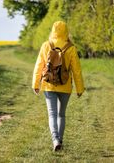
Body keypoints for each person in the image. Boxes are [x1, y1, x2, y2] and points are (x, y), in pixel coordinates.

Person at [32, 21, 85, 151]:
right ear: (66, 31)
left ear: (53, 31)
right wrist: (80, 88)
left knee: (52, 114)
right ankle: (59, 140)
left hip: (49, 85)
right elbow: (76, 70)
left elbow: (39, 65)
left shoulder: (46, 45)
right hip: (65, 86)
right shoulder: (71, 48)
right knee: (61, 115)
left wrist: (35, 83)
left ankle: (55, 140)